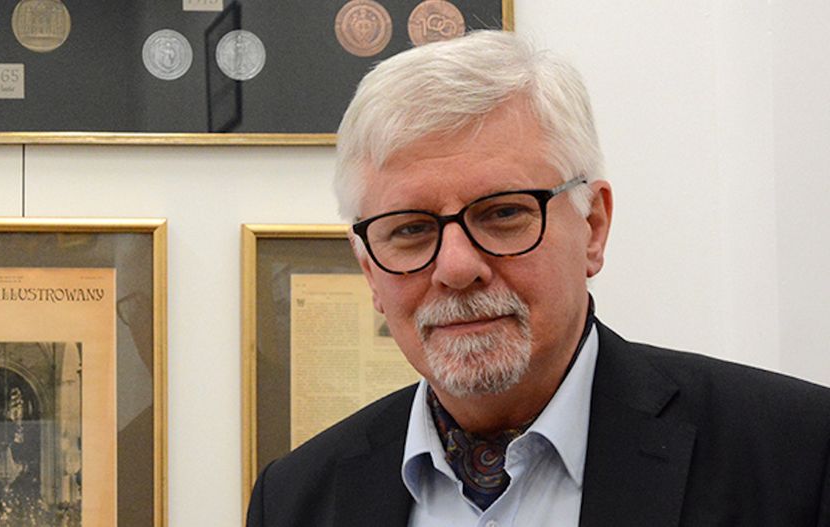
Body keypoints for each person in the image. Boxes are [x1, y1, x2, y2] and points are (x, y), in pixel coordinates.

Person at [246, 30, 830, 526]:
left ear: (593, 227)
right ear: (370, 270)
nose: (456, 268)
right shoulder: (295, 501)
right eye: (411, 229)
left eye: (503, 213)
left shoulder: (798, 455)